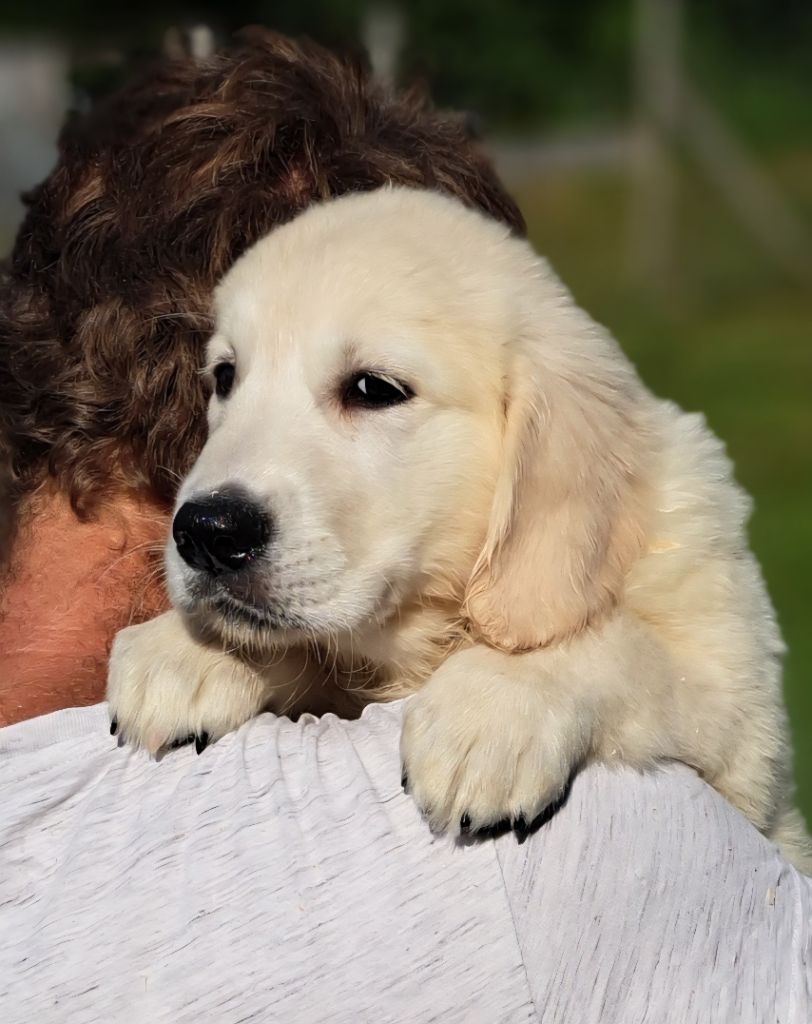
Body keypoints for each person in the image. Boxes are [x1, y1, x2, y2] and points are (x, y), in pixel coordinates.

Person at [0, 30, 809, 1024]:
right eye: (228, 376)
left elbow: (727, 741)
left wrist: (564, 678)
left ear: (529, 434)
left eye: (371, 389)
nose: (220, 482)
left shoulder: (626, 490)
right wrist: (253, 660)